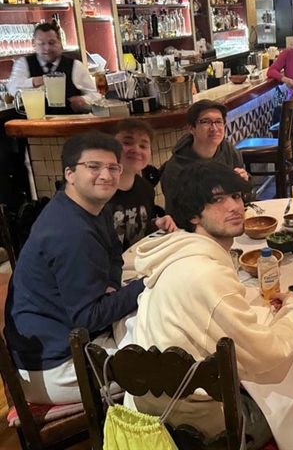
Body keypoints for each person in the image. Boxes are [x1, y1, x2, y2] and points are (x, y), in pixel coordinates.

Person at [126, 161, 293, 445]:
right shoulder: (206, 274)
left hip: (148, 408)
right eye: (217, 200)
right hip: (195, 427)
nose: (235, 206)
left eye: (236, 196)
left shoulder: (176, 255)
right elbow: (268, 354)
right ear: (194, 214)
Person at [4, 132, 145, 405]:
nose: (106, 175)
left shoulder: (90, 207)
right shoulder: (71, 232)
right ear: (70, 173)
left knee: (151, 320)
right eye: (93, 167)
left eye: (113, 167)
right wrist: (145, 284)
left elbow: (115, 256)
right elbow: (88, 317)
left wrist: (113, 287)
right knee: (165, 365)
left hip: (67, 338)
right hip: (53, 368)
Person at [160, 100, 248, 215]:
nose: (214, 128)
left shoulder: (228, 151)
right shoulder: (176, 168)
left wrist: (243, 183)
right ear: (191, 128)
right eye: (206, 122)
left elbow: (247, 197)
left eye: (219, 121)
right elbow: (176, 214)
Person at [105, 119, 177, 250]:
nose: (136, 149)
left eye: (143, 146)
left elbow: (141, 233)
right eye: (127, 142)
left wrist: (157, 224)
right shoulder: (99, 191)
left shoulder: (146, 189)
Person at [7, 22, 101, 114]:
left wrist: (84, 100)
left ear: (60, 43)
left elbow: (96, 95)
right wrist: (34, 81)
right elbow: (12, 88)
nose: (47, 48)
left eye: (51, 43)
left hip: (70, 125)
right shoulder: (23, 63)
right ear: (34, 44)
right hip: (36, 125)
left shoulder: (75, 65)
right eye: (41, 44)